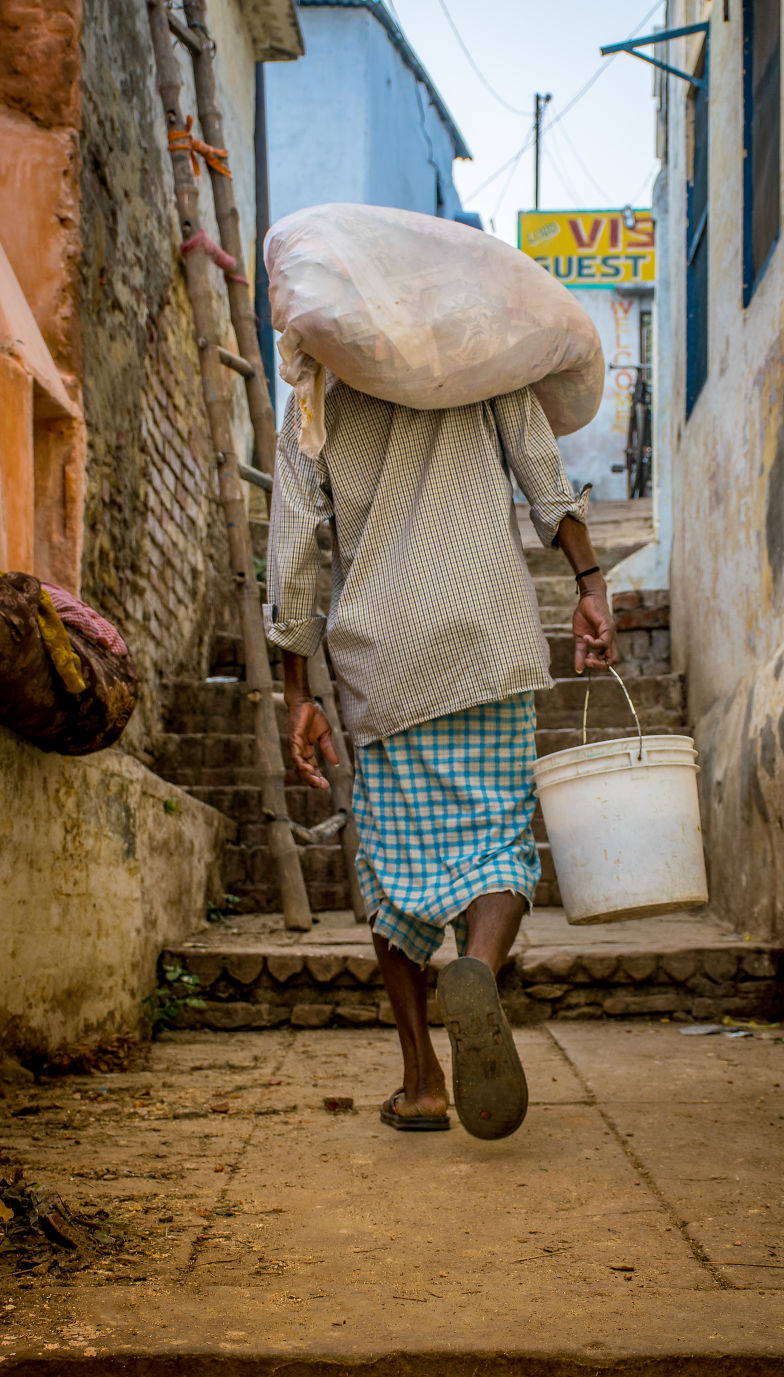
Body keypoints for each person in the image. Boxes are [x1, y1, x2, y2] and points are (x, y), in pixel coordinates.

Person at [265, 379, 617, 1140]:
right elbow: (540, 471)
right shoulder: (484, 350)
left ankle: (422, 1081)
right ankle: (480, 971)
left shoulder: (317, 394)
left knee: (394, 872)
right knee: (499, 846)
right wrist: (590, 580)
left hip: (384, 655)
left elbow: (294, 547)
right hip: (487, 632)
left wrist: (297, 688)